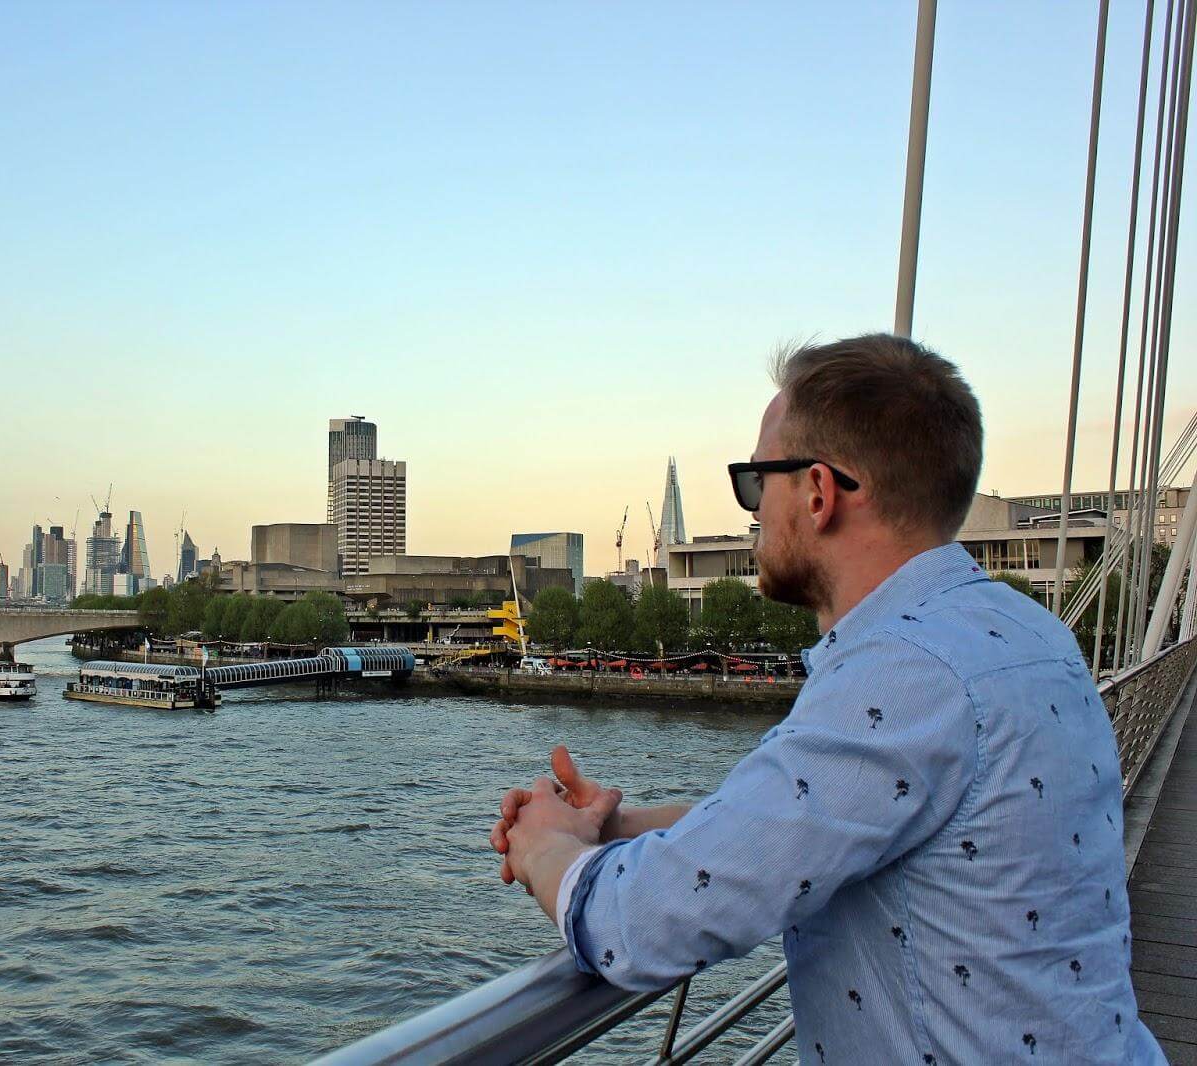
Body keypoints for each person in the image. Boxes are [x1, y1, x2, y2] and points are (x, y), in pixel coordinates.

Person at [491, 334, 1164, 1064]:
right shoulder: (1027, 631)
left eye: (756, 483)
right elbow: (833, 820)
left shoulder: (904, 675)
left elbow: (642, 925)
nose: (753, 513)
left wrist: (545, 846)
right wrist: (616, 825)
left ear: (817, 493)